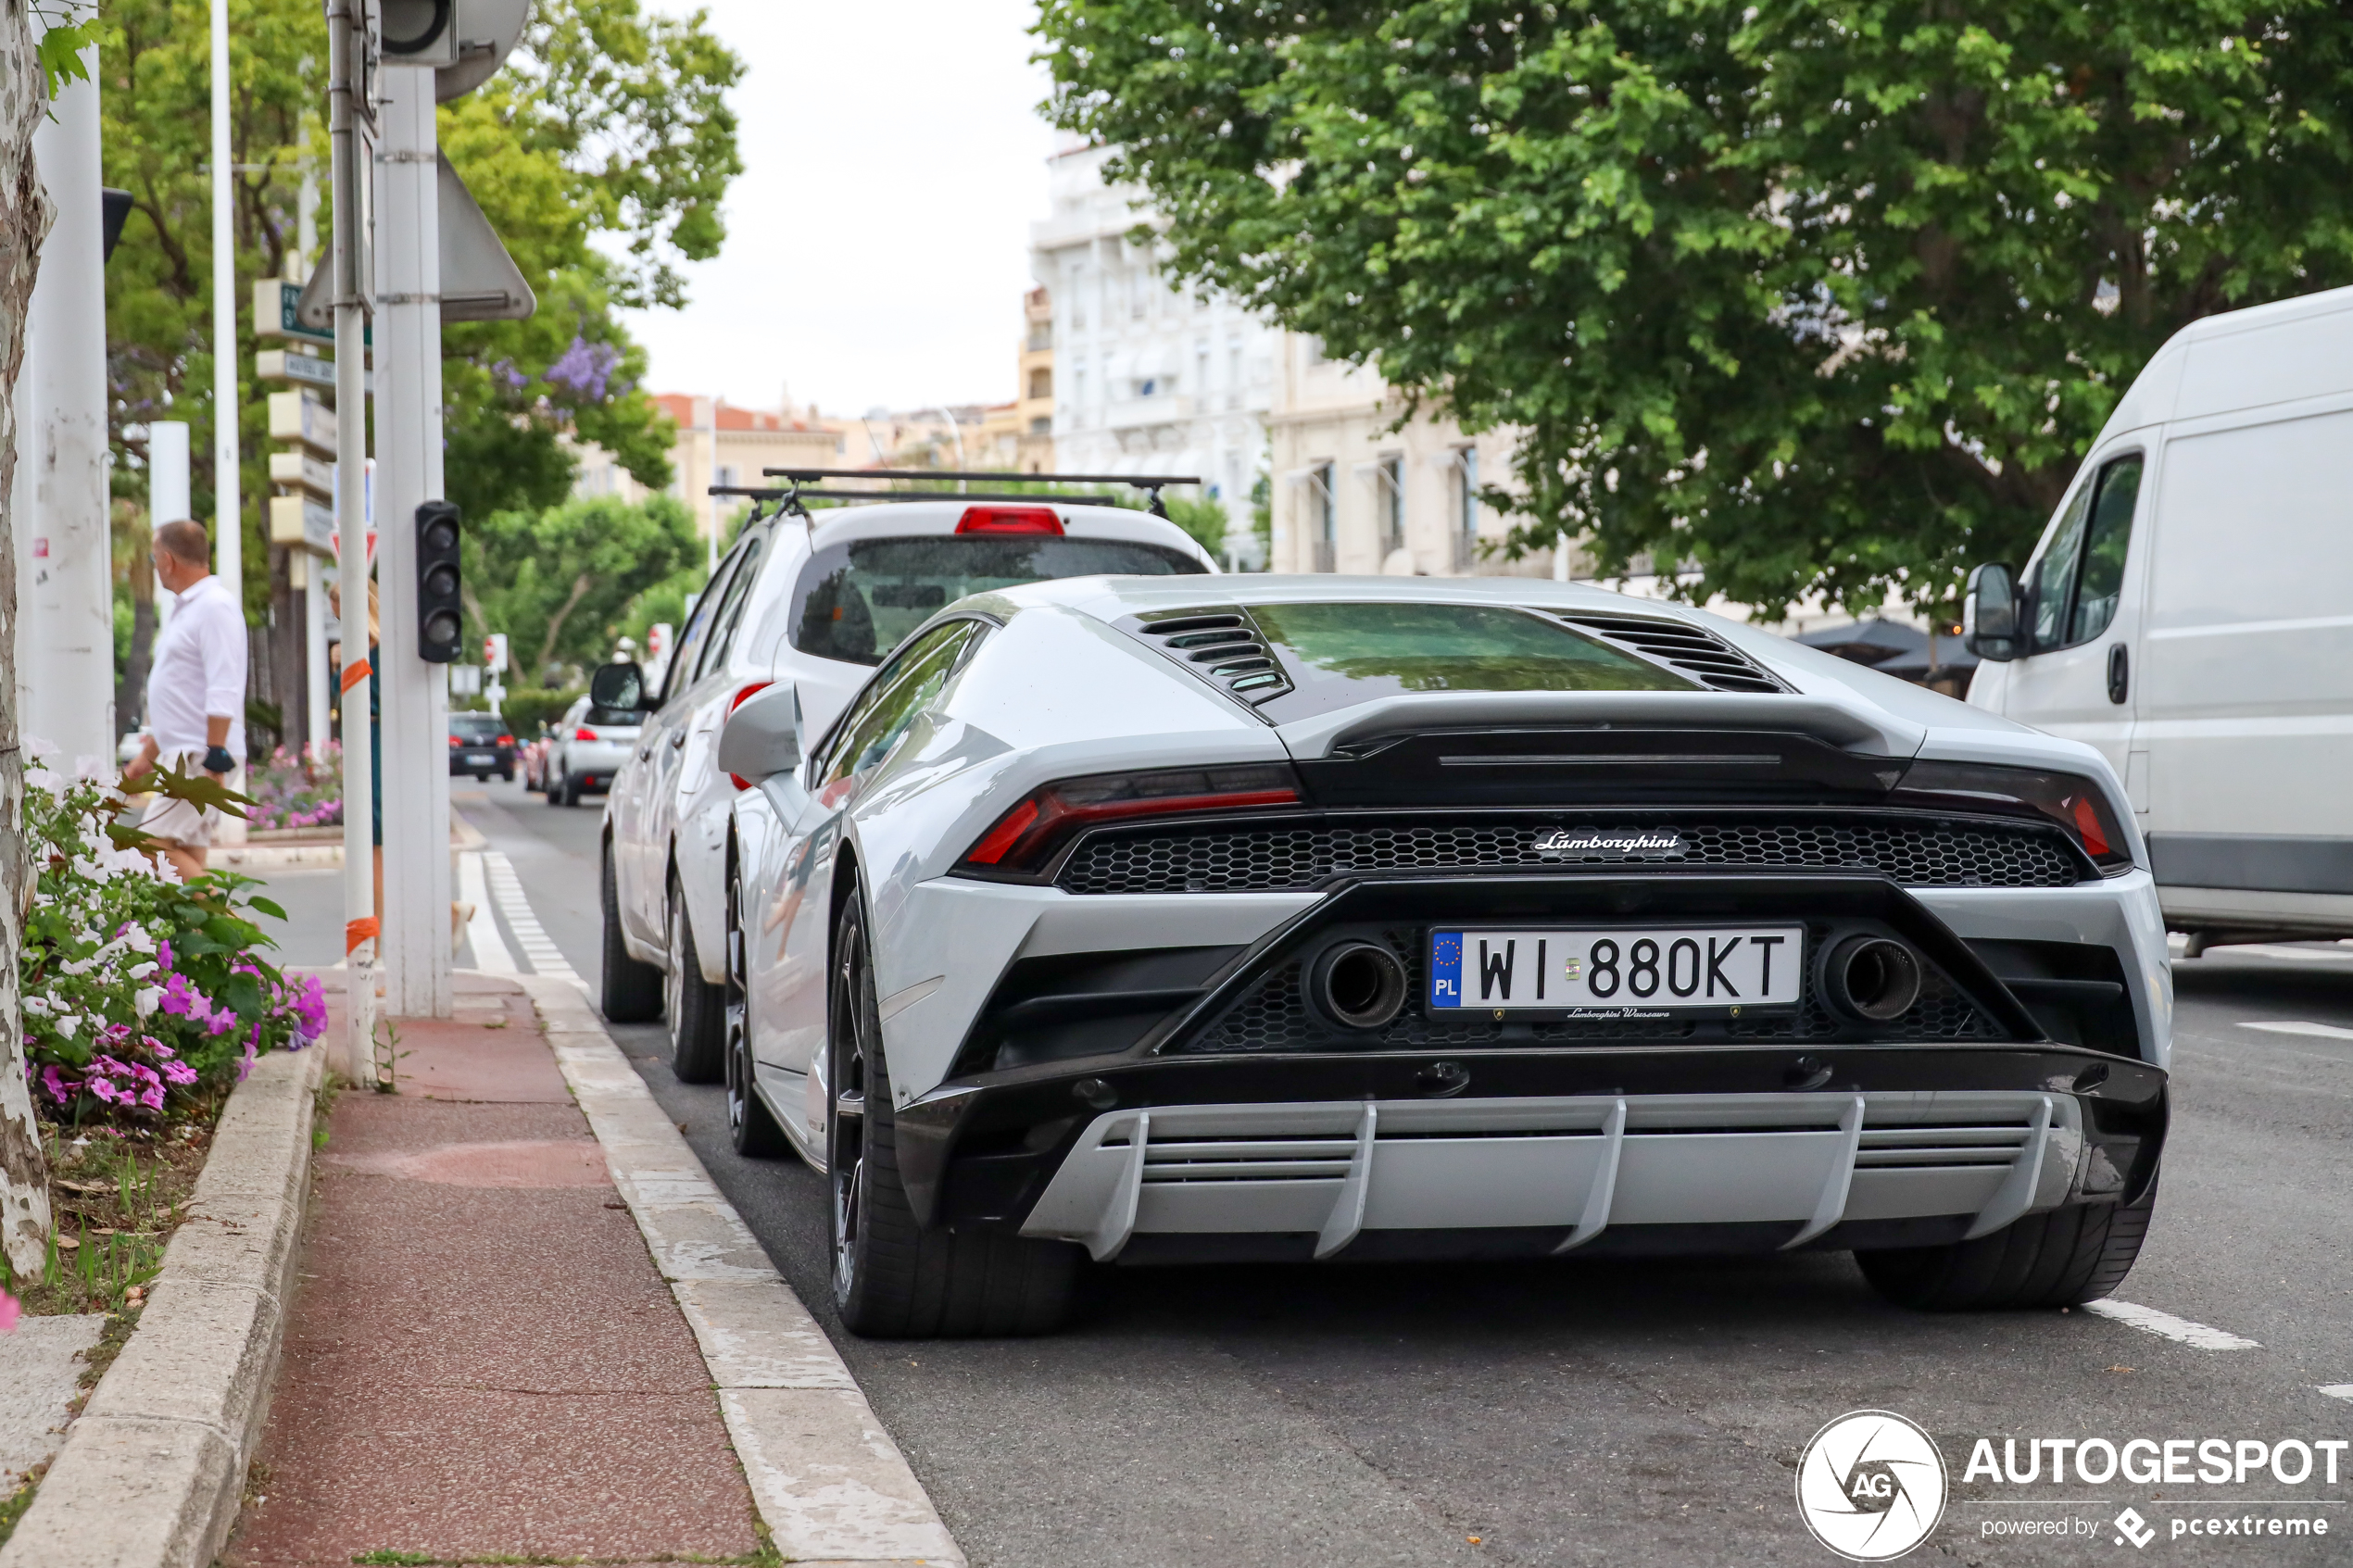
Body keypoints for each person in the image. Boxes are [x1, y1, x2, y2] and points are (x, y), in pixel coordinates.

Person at [123, 519, 245, 883]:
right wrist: (146, 758)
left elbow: (223, 684)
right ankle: (215, 940)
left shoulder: (214, 607)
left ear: (168, 560)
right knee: (185, 866)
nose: (155, 564)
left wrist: (216, 756)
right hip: (184, 752)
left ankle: (239, 933)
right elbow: (180, 699)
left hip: (199, 756)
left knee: (145, 845)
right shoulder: (186, 609)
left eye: (154, 557)